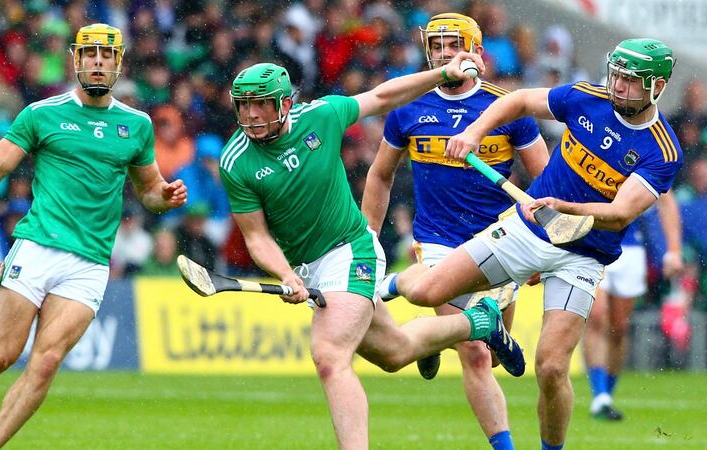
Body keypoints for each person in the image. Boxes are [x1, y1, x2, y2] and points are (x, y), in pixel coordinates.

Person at [381, 38, 683, 449]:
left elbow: (621, 212)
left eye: (630, 82)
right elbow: (520, 100)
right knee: (424, 291)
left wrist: (564, 207)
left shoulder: (662, 150)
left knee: (552, 366)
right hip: (525, 232)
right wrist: (474, 131)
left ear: (657, 87)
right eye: (616, 76)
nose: (618, 87)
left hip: (582, 256)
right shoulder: (584, 98)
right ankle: (399, 285)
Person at [219, 57, 525, 450]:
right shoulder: (236, 160)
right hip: (309, 268)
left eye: (261, 103)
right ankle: (479, 322)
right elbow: (257, 238)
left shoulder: (323, 115)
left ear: (285, 103)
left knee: (329, 357)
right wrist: (287, 274)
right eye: (243, 105)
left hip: (352, 249)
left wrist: (441, 74)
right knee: (396, 353)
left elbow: (382, 96)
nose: (251, 114)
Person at [0, 24, 187, 450]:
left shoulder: (136, 125)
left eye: (106, 56)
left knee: (45, 363)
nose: (98, 62)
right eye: (90, 54)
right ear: (76, 61)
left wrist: (164, 197)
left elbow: (149, 190)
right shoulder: (42, 114)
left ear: (118, 65)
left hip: (91, 263)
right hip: (38, 247)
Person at [362, 13, 548, 450]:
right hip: (438, 241)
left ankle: (428, 340)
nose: (443, 54)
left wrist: (539, 244)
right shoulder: (409, 106)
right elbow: (380, 176)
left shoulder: (508, 107)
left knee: (492, 351)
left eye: (453, 46)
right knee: (478, 351)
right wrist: (366, 239)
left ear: (476, 53)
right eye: (436, 46)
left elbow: (543, 178)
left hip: (500, 243)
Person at [583, 191, 683, 420]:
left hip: (630, 248)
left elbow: (666, 201)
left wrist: (674, 250)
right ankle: (599, 397)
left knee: (619, 328)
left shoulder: (647, 158)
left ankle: (607, 392)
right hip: (593, 243)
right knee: (597, 316)